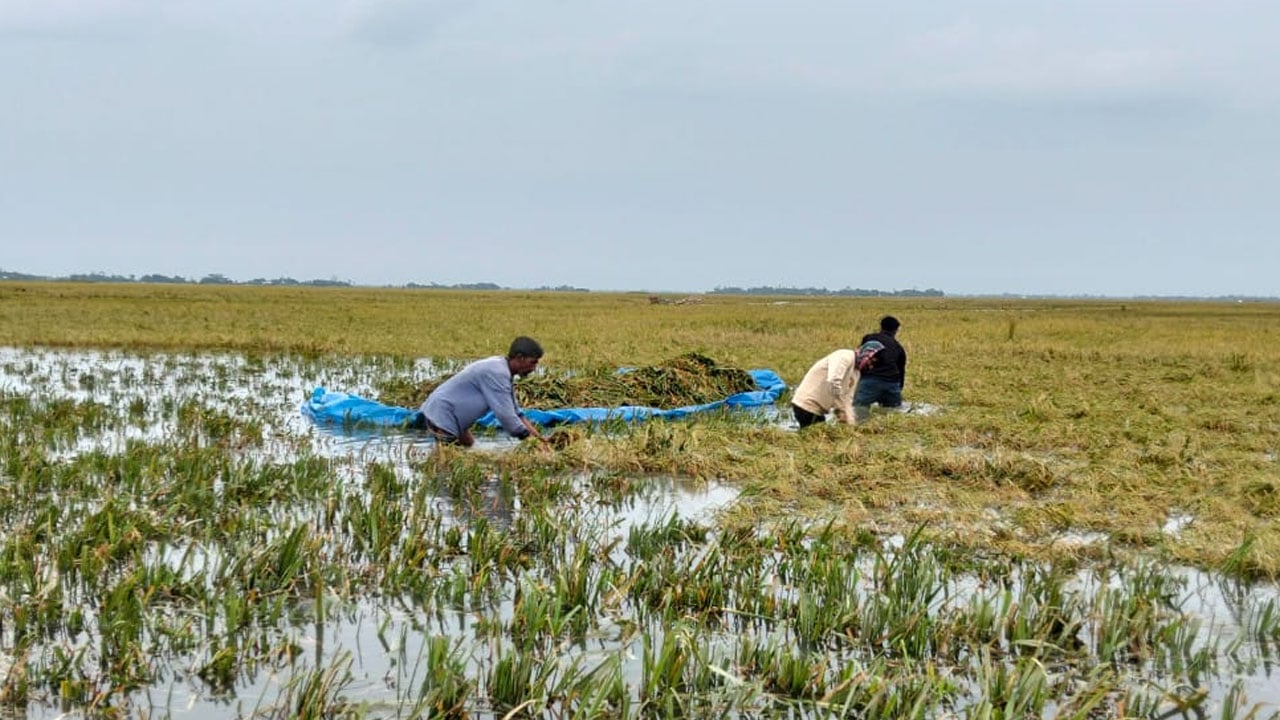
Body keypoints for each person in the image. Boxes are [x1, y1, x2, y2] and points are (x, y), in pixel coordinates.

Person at [414, 336, 549, 447]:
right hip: (443, 413)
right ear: (520, 357)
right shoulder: (497, 373)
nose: (534, 368)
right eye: (533, 363)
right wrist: (528, 439)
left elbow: (517, 414)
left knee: (468, 445)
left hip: (453, 417)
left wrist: (540, 440)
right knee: (447, 460)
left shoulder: (504, 372)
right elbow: (506, 416)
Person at [853, 315, 907, 422]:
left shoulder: (869, 338)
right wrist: (898, 389)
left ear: (881, 327)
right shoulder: (899, 347)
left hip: (870, 381)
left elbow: (862, 356)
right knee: (893, 413)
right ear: (896, 330)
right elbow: (901, 371)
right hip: (892, 383)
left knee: (858, 409)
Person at [791, 348, 859, 428]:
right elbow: (833, 381)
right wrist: (841, 408)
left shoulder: (856, 372)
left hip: (818, 410)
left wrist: (849, 422)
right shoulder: (844, 356)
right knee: (816, 436)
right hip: (806, 405)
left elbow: (847, 398)